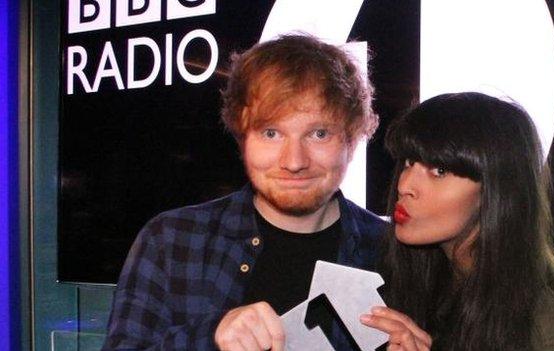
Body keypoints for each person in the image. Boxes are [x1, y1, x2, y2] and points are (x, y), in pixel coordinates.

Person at [102, 34, 386, 350]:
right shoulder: (171, 240)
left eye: (319, 134)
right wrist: (210, 337)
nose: (294, 162)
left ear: (351, 139)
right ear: (242, 139)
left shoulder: (391, 249)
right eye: (271, 133)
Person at [360, 92, 554, 351]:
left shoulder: (545, 324)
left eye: (439, 171)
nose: (405, 184)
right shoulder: (431, 280)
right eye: (409, 161)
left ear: (496, 190)